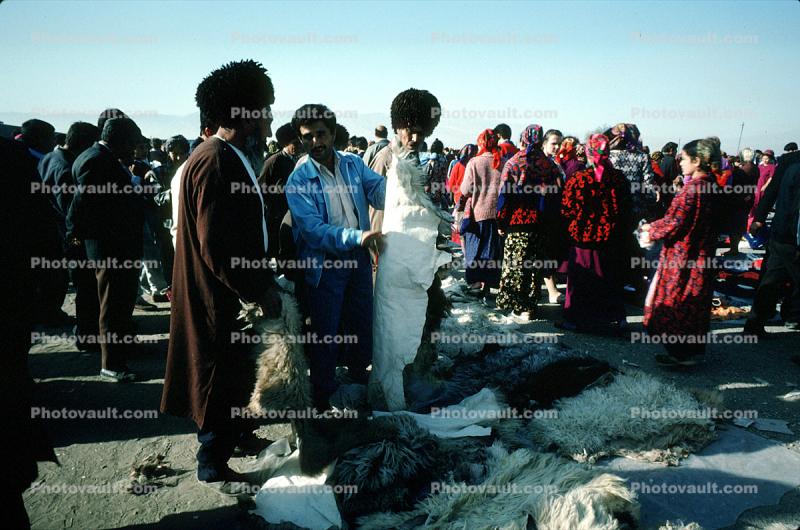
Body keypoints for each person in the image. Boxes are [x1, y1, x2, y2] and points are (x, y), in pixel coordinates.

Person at [161, 60, 283, 491]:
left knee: (229, 374)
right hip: (213, 296)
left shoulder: (225, 156)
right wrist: (259, 289)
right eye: (265, 108)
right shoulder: (214, 161)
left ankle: (231, 442)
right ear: (243, 113)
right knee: (215, 377)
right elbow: (217, 247)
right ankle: (211, 465)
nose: (270, 117)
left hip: (217, 292)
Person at [285, 103, 385, 409]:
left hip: (358, 258)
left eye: (321, 134)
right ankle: (323, 394)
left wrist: (401, 180)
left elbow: (380, 192)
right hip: (324, 264)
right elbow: (314, 232)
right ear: (300, 140)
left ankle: (357, 376)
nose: (315, 142)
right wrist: (357, 237)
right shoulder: (298, 180)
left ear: (333, 133)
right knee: (325, 330)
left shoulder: (353, 164)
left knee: (362, 320)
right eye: (307, 137)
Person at [66, 117, 147, 380]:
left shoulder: (97, 156)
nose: (133, 149)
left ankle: (119, 352)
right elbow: (84, 204)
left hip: (112, 246)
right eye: (131, 143)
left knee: (117, 304)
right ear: (119, 140)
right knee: (112, 306)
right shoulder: (98, 160)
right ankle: (111, 364)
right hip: (110, 248)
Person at [640, 139, 721, 366]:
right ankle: (690, 350)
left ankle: (679, 354)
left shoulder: (693, 190)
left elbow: (674, 223)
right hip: (702, 254)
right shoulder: (711, 185)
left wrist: (650, 228)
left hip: (683, 256)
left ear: (697, 161)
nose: (680, 163)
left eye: (684, 159)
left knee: (679, 299)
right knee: (695, 300)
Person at [558, 134, 631, 334]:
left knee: (581, 280)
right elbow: (626, 210)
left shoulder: (578, 179)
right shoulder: (619, 179)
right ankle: (615, 317)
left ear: (588, 152)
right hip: (611, 240)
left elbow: (566, 210)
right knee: (611, 279)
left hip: (583, 240)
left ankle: (576, 319)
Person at [38, 121, 101, 348]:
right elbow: (70, 211)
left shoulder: (50, 158)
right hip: (70, 238)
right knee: (85, 287)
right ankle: (86, 336)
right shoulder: (65, 168)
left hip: (58, 235)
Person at [496, 124, 563, 323]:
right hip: (540, 224)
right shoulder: (550, 165)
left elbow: (504, 195)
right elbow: (557, 195)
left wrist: (501, 221)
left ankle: (519, 305)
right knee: (534, 266)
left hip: (518, 222)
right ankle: (530, 306)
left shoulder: (515, 162)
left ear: (523, 137)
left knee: (516, 266)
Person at [745, 146, 800, 335]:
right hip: (791, 236)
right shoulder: (790, 161)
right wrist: (759, 218)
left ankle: (755, 324)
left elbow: (772, 192)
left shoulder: (788, 160)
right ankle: (790, 316)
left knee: (771, 279)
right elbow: (773, 192)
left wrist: (760, 218)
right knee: (774, 279)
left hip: (781, 232)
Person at [460, 129, 504, 295]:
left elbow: (465, 189)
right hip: (497, 215)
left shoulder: (474, 162)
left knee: (475, 251)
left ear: (481, 143)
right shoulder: (504, 162)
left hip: (477, 214)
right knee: (492, 251)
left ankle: (475, 284)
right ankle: (489, 284)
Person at [258, 122, 303, 259]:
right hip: (276, 214)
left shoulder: (298, 161)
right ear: (285, 144)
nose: (299, 145)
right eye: (295, 143)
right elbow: (261, 187)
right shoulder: (274, 161)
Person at [446, 143, 478, 247]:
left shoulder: (457, 166)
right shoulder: (476, 165)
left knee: (458, 226)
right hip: (473, 200)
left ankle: (460, 246)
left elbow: (450, 186)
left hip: (459, 201)